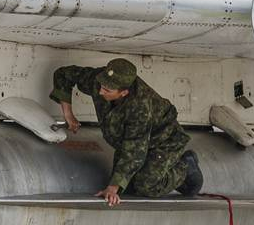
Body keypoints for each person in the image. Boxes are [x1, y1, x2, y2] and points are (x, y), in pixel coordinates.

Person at [50, 58, 202, 206]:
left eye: (107, 90)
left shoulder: (140, 106)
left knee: (146, 185)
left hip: (164, 141)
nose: (101, 91)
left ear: (123, 93)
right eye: (101, 85)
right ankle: (168, 174)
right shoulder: (98, 81)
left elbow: (135, 151)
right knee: (128, 189)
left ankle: (186, 165)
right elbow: (63, 74)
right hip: (132, 142)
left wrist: (113, 187)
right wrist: (68, 114)